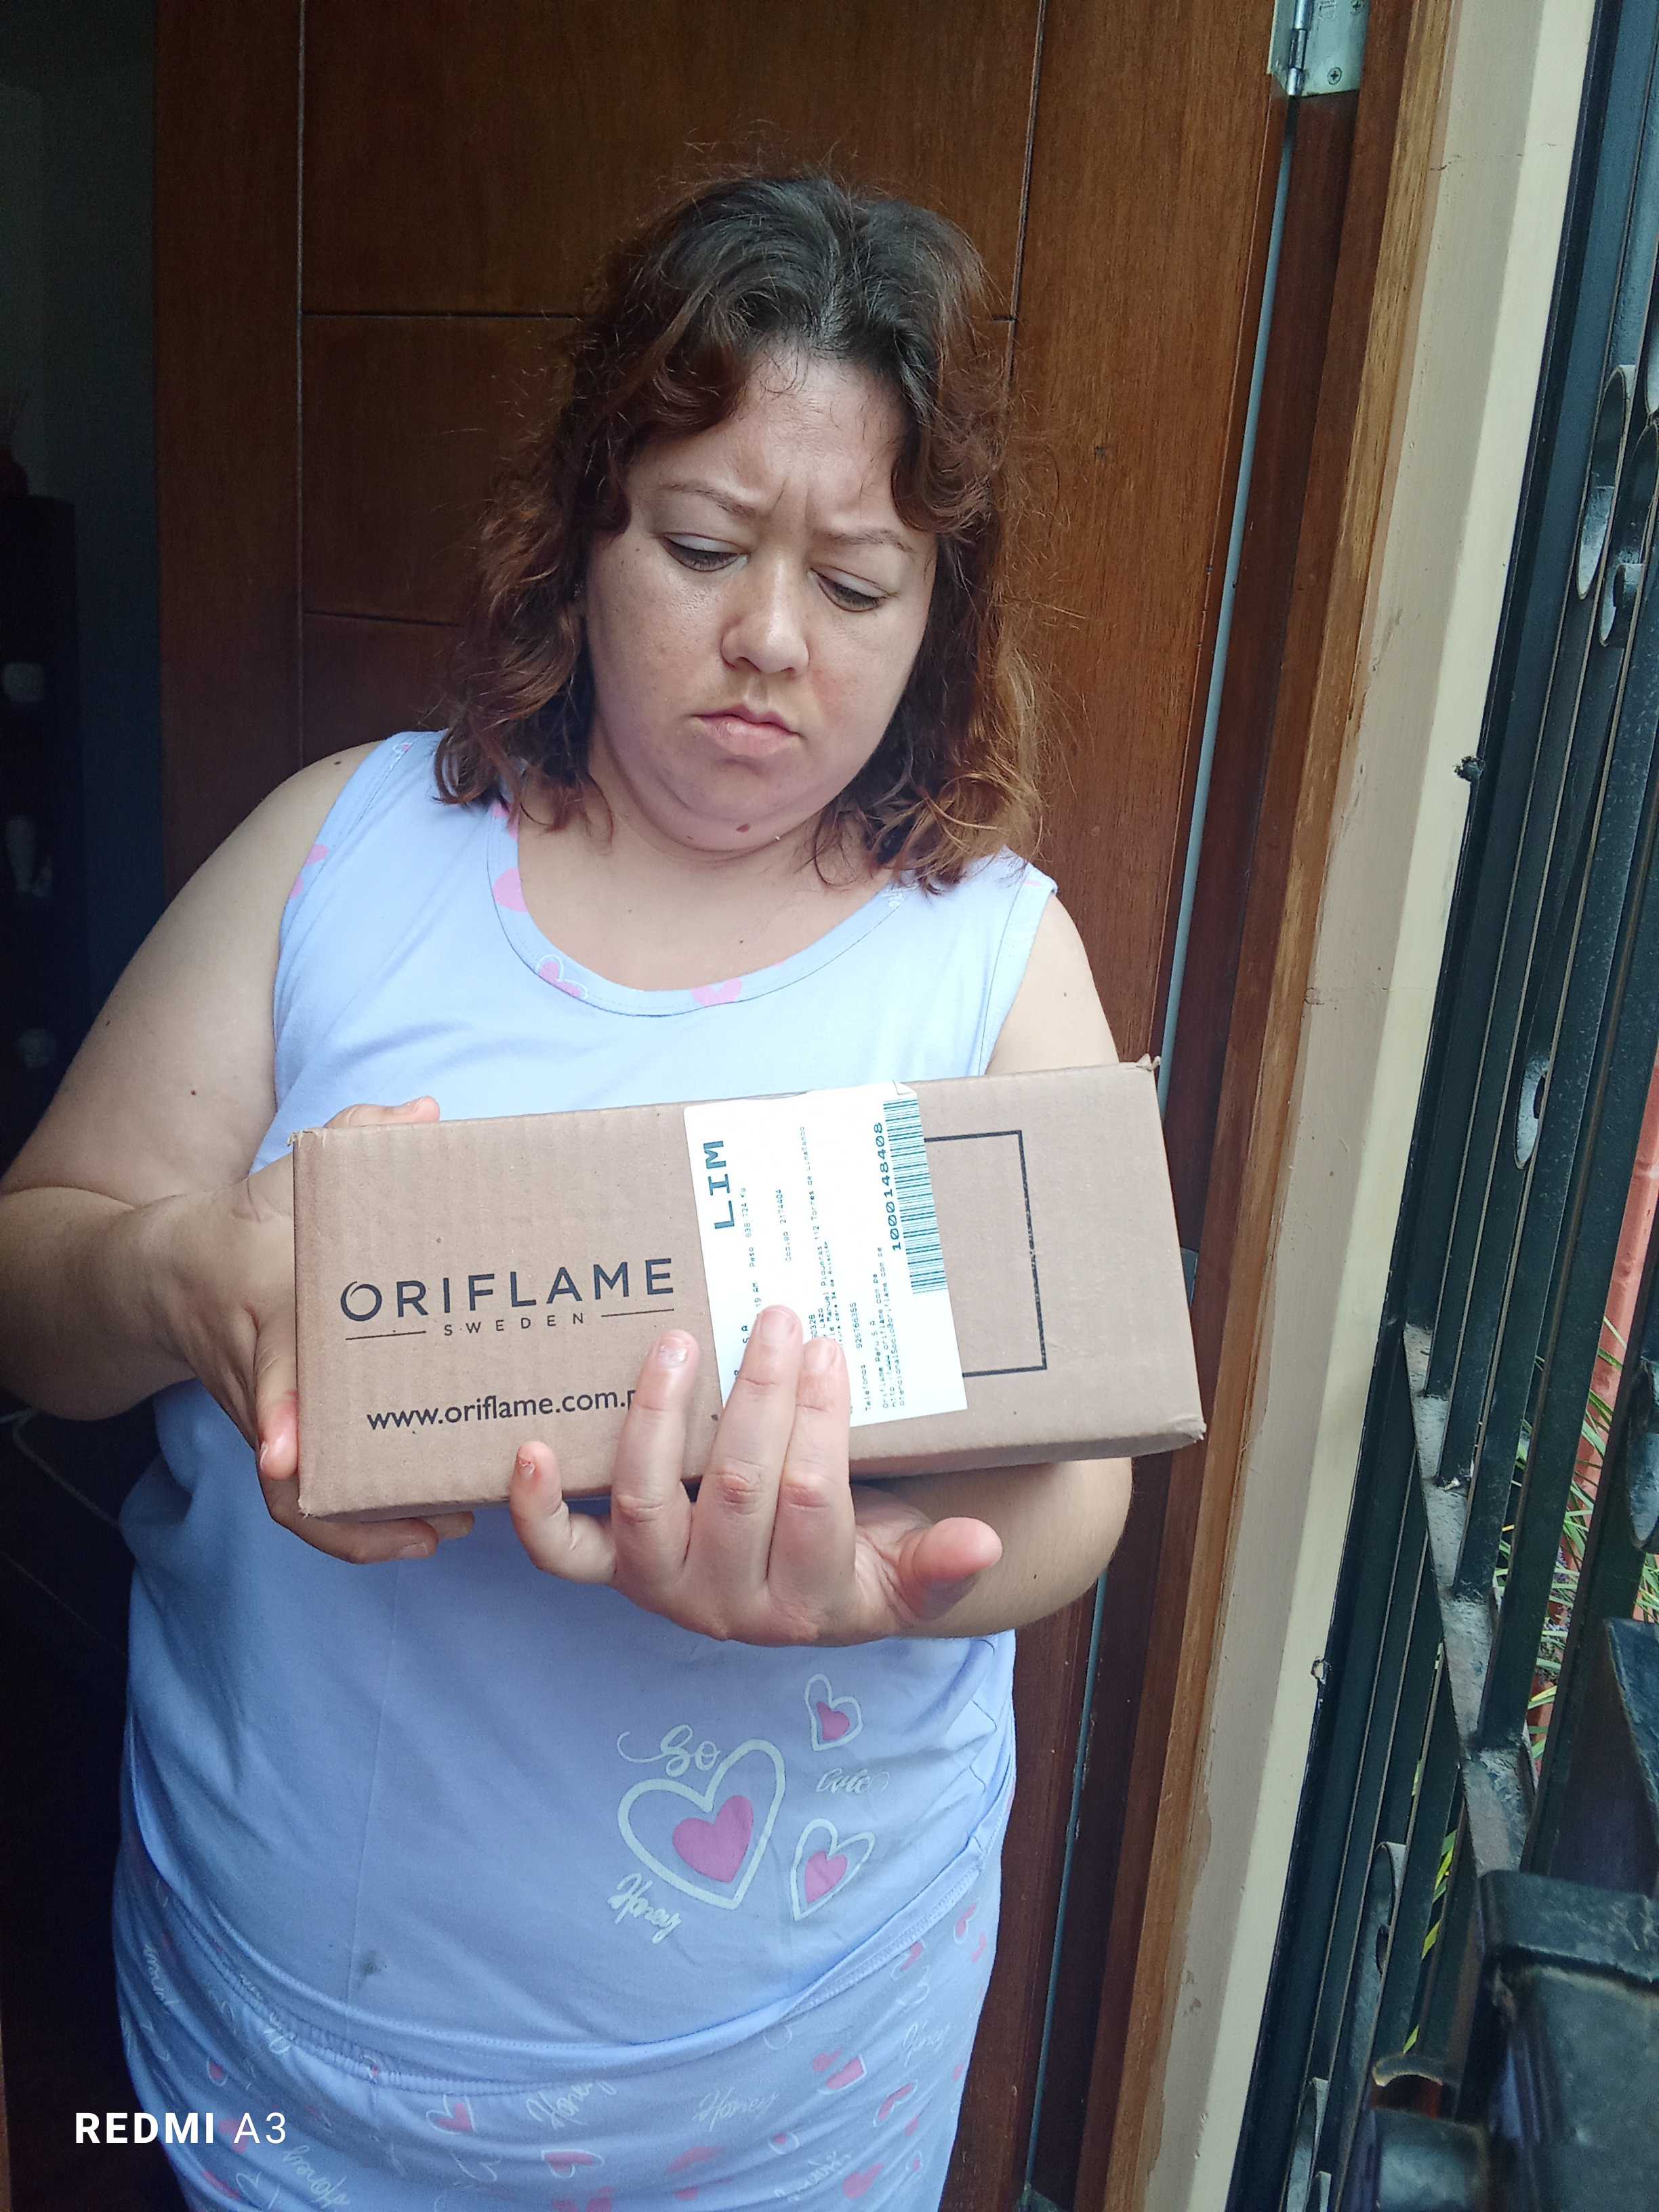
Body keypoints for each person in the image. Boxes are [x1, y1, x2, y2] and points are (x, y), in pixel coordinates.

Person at [0, 171, 1130, 2209]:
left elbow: (1086, 1474)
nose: (768, 639)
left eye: (858, 584)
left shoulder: (990, 958)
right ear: (582, 526)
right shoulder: (341, 856)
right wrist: (186, 1281)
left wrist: (874, 1582)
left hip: (784, 2095)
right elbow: (31, 1284)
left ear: (941, 612)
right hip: (282, 2058)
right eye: (700, 545)